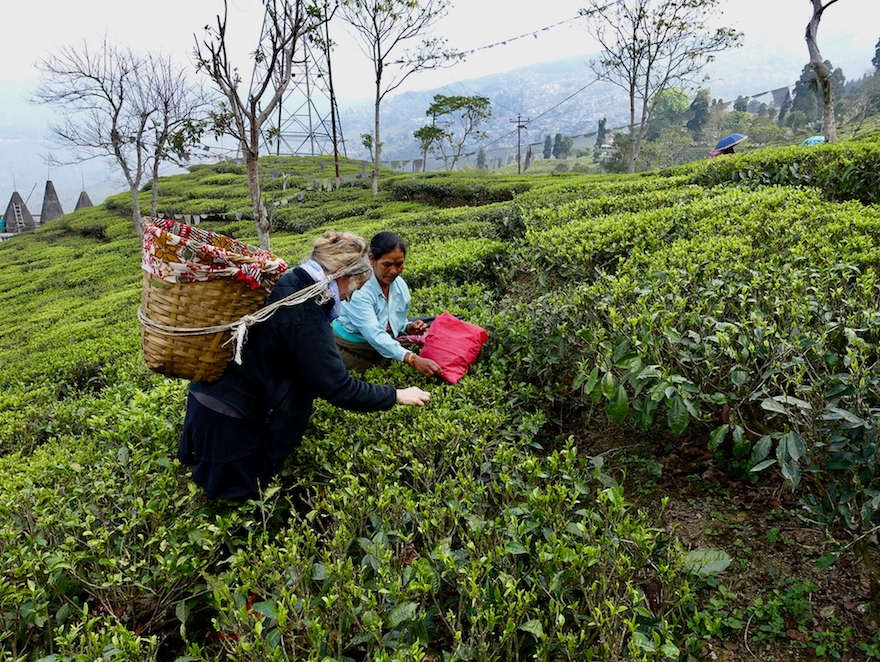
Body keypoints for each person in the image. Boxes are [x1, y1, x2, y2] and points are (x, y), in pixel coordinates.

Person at [177, 230, 431, 500]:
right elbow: (339, 388)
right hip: (229, 422)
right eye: (354, 286)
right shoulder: (306, 309)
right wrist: (396, 395)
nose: (349, 296)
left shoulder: (291, 282)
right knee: (244, 505)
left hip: (207, 403)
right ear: (341, 274)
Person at [333, 231, 443, 377]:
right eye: (387, 265)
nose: (394, 271)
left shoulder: (399, 285)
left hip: (385, 344)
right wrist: (412, 359)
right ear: (371, 260)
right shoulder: (359, 289)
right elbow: (373, 333)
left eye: (399, 264)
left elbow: (394, 318)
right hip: (353, 348)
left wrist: (407, 327)